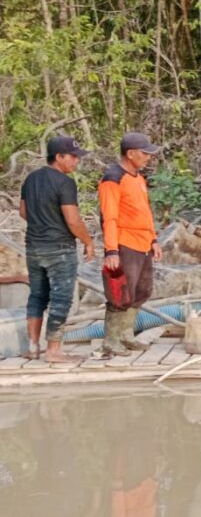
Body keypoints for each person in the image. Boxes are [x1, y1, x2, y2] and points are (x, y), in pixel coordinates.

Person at [18, 136, 96, 362]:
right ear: (59, 157)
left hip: (33, 247)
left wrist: (42, 223)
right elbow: (73, 220)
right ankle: (53, 351)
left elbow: (23, 211)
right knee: (61, 298)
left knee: (37, 296)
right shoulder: (65, 182)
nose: (76, 161)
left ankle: (33, 347)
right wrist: (88, 241)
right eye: (73, 157)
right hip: (59, 248)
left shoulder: (31, 179)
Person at [98, 132, 163, 357]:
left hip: (143, 244)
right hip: (125, 244)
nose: (148, 157)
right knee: (120, 293)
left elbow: (145, 211)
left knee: (141, 291)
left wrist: (153, 239)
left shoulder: (138, 178)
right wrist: (111, 250)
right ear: (131, 153)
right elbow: (109, 217)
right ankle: (111, 340)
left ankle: (126, 335)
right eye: (145, 153)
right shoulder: (113, 179)